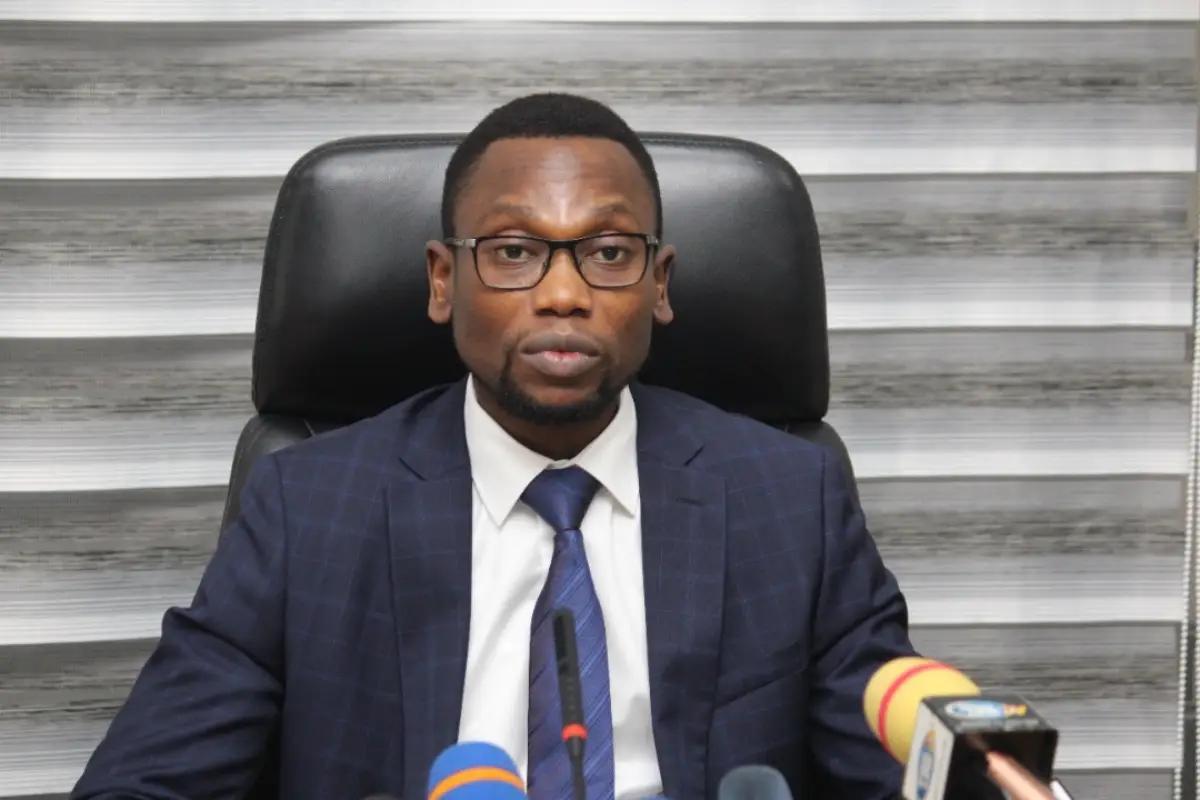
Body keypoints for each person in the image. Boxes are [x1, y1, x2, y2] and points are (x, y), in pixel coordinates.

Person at [72, 93, 913, 800]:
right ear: (444, 281)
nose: (563, 294)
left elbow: (905, 774)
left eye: (608, 253)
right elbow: (142, 783)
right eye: (513, 252)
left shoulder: (789, 502)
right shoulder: (307, 510)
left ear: (659, 286)